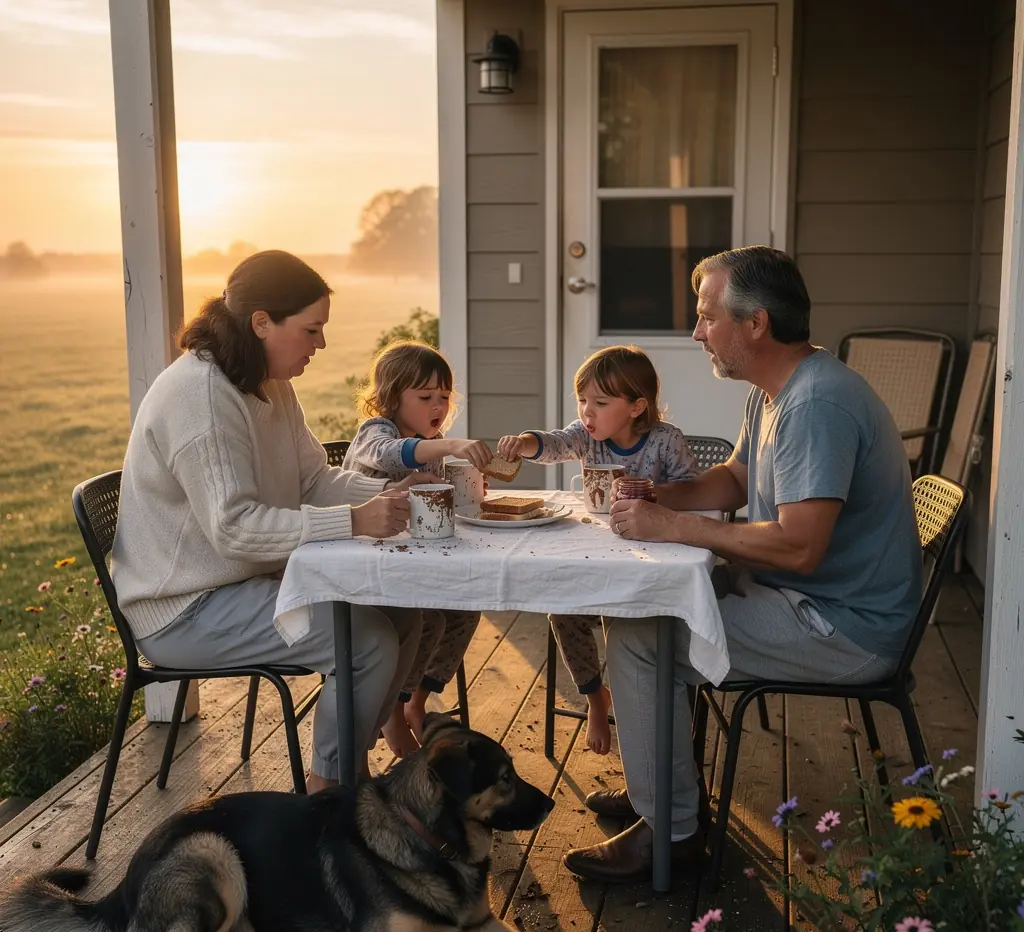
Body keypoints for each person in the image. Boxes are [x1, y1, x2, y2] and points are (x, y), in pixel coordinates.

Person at [563, 246, 922, 883]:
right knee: (648, 610)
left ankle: (671, 831)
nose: (697, 332)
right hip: (797, 595)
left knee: (642, 638)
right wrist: (659, 496)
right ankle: (666, 790)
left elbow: (799, 546)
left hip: (840, 625)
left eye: (708, 317)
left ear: (756, 324)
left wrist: (674, 526)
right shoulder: (778, 389)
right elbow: (734, 477)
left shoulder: (815, 406)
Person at [111, 250, 435, 793]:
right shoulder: (202, 396)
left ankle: (349, 768)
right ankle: (328, 797)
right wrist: (354, 521)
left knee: (401, 614)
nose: (321, 343)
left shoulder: (269, 382)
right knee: (367, 641)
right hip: (184, 609)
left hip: (241, 585)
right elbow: (234, 529)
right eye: (311, 329)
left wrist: (392, 494)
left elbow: (312, 479)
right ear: (261, 322)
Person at [496, 345, 696, 754]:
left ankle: (651, 708)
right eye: (582, 400)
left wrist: (657, 498)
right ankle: (595, 697)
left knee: (636, 629)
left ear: (637, 406)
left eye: (601, 403)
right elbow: (554, 444)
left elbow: (695, 491)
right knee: (562, 608)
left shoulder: (665, 441)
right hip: (597, 558)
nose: (588, 412)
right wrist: (525, 442)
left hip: (648, 572)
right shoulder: (586, 437)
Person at [343, 340, 488, 754]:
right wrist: (449, 446)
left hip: (413, 565)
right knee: (429, 621)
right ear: (391, 398)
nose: (438, 406)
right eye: (425, 397)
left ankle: (414, 701)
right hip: (365, 569)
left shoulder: (432, 442)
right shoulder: (376, 432)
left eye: (444, 396)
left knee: (463, 611)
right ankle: (391, 708)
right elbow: (392, 456)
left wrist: (469, 488)